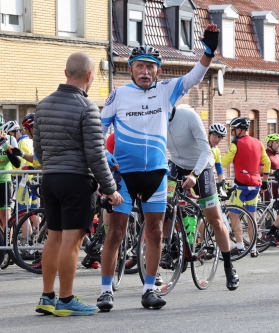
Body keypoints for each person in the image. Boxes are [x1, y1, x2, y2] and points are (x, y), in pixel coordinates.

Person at [97, 24, 221, 311]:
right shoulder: (118, 96)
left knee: (155, 232)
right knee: (115, 232)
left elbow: (194, 76)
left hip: (155, 174)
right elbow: (98, 133)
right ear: (130, 69)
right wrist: (105, 153)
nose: (145, 71)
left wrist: (209, 52)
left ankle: (149, 288)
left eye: (150, 67)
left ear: (158, 71)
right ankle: (105, 291)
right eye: (139, 66)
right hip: (124, 176)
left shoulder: (167, 92)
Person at [33, 52, 123, 317]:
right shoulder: (87, 108)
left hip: (49, 179)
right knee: (71, 242)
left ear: (65, 73)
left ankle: (47, 296)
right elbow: (96, 155)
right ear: (89, 76)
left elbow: (38, 149)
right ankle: (66, 299)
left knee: (54, 238)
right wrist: (110, 189)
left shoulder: (43, 105)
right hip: (75, 181)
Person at [167, 107, 239, 290]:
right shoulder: (154, 118)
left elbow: (206, 152)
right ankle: (176, 247)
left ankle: (229, 266)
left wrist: (195, 174)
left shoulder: (188, 117)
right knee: (164, 208)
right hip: (175, 164)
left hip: (201, 167)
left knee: (214, 219)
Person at [222, 117, 271, 258]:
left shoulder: (236, 143)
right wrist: (266, 181)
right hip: (255, 185)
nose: (232, 132)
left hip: (241, 186)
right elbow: (267, 162)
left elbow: (225, 162)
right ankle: (254, 248)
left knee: (233, 214)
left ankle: (240, 245)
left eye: (233, 129)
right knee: (252, 217)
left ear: (239, 129)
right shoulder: (258, 143)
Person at [260, 133, 279, 202]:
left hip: (278, 186)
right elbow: (260, 168)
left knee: (277, 210)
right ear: (270, 143)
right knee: (268, 209)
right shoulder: (265, 154)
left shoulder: (277, 155)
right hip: (268, 187)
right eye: (277, 143)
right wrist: (273, 172)